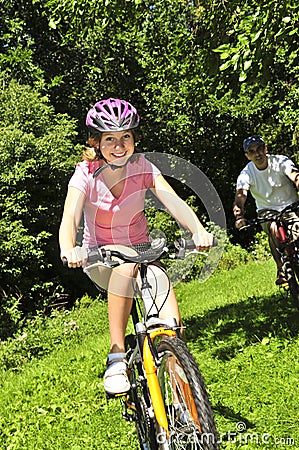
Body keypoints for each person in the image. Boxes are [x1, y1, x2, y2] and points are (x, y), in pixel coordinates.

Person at [59, 98, 214, 396]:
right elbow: (70, 217)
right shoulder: (85, 173)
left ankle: (179, 375)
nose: (119, 146)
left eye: (125, 137)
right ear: (96, 142)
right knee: (126, 269)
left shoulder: (142, 165)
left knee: (162, 288)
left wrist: (197, 229)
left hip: (141, 250)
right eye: (110, 139)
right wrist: (70, 247)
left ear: (135, 138)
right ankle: (116, 354)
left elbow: (172, 201)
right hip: (100, 257)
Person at [233, 135, 299, 285]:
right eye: (252, 151)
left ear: (266, 148)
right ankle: (281, 268)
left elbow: (295, 176)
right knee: (274, 229)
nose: (258, 154)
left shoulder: (281, 161)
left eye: (260, 149)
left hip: (290, 206)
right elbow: (240, 197)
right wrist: (239, 216)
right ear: (247, 156)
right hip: (267, 210)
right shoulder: (246, 174)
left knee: (297, 229)